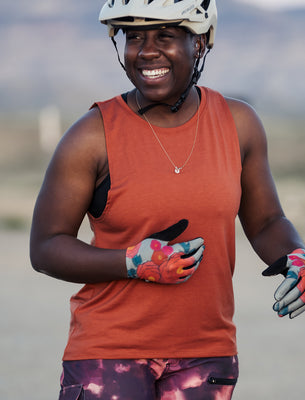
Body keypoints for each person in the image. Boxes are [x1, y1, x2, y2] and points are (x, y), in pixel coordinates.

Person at [30, 0, 305, 399]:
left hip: (206, 354)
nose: (146, 51)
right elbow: (46, 247)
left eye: (165, 36)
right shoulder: (91, 136)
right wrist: (132, 262)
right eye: (134, 36)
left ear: (201, 43)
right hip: (109, 354)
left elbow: (265, 223)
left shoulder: (239, 124)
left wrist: (297, 255)